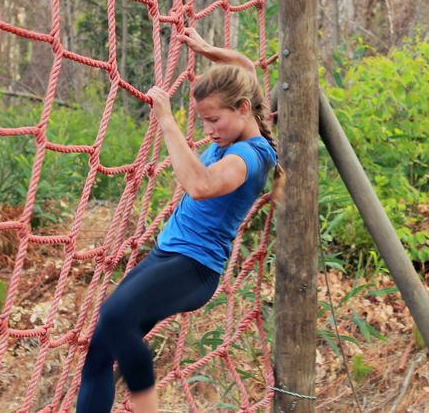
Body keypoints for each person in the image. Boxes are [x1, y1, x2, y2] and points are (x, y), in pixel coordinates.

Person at [76, 27, 281, 413]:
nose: (207, 131)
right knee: (100, 350)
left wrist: (167, 121)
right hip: (167, 256)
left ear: (242, 109)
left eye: (213, 120)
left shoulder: (250, 157)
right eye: (202, 121)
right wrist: (209, 50)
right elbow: (246, 67)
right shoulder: (237, 128)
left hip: (193, 268)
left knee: (116, 316)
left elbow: (200, 185)